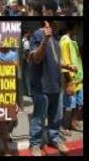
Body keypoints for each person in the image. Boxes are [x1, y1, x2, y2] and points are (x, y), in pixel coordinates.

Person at [29, 21, 68, 156]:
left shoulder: (56, 37)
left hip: (56, 84)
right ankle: (35, 144)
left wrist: (68, 66)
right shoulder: (38, 34)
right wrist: (45, 40)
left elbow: (57, 60)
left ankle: (54, 139)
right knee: (39, 118)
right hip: (42, 86)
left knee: (56, 117)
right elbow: (36, 58)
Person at [59, 21, 83, 132]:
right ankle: (63, 126)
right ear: (73, 27)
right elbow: (64, 62)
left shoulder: (73, 40)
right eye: (77, 27)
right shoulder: (65, 41)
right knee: (67, 104)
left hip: (79, 78)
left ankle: (73, 123)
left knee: (79, 103)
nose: (78, 30)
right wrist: (68, 81)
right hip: (71, 79)